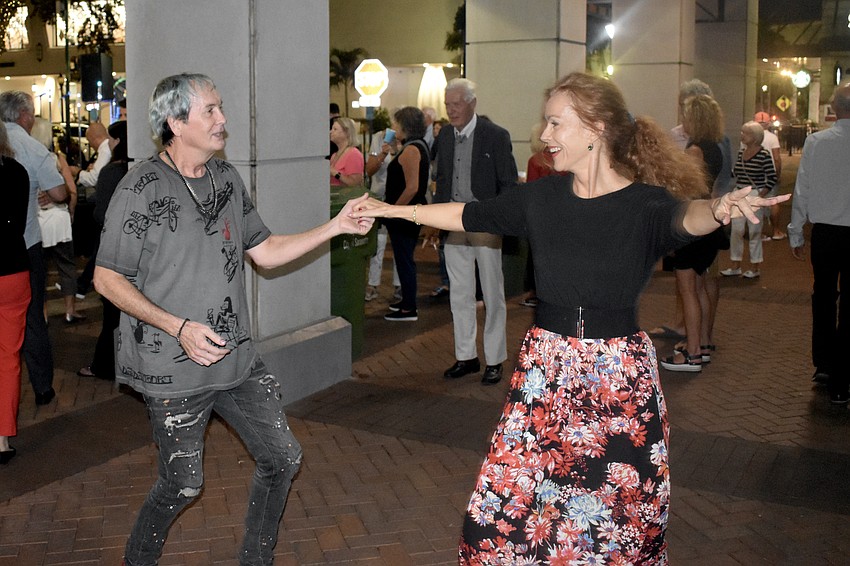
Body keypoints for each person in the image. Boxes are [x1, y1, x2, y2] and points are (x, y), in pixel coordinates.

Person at [354, 71, 787, 563]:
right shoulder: (542, 198)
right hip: (545, 374)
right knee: (499, 522)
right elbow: (467, 215)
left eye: (556, 124)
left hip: (617, 381)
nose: (544, 136)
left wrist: (721, 207)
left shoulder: (644, 205)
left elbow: (686, 217)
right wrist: (392, 210)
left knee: (614, 528)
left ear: (595, 129)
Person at [92, 73, 374, 565]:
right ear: (176, 123)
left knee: (283, 459)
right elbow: (106, 279)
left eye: (221, 108)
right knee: (182, 485)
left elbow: (265, 252)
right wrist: (178, 326)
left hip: (236, 360)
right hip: (173, 370)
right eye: (210, 111)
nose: (223, 119)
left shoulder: (226, 178)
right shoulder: (140, 187)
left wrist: (336, 225)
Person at [433, 78, 517, 386]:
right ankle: (465, 356)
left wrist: (500, 216)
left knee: (493, 293)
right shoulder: (443, 137)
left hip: (484, 221)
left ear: (472, 104)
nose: (451, 110)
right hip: (453, 221)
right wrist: (437, 219)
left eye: (456, 104)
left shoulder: (495, 136)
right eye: (448, 105)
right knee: (460, 293)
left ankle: (494, 360)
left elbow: (508, 183)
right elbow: (441, 179)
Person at [0, 90, 68, 407]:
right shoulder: (33, 148)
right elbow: (59, 193)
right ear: (24, 116)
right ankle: (42, 387)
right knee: (31, 318)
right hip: (24, 247)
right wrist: (50, 193)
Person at [788, 83, 850, 404]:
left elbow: (803, 190)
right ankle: (843, 375)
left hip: (825, 232)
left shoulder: (816, 142)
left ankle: (824, 363)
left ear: (835, 109)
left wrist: (796, 231)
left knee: (824, 296)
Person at [660, 94, 726, 372]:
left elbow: (685, 188)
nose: (683, 121)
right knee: (699, 285)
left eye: (686, 115)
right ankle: (704, 343)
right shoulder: (715, 148)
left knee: (687, 288)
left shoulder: (695, 150)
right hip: (709, 220)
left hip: (691, 220)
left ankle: (693, 352)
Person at [77, 121, 128, 380]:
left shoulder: (110, 172)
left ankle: (104, 365)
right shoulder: (142, 167)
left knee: (112, 314)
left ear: (117, 141)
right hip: (141, 253)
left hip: (116, 251)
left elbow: (101, 214)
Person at [30, 117, 85, 324]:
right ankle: (70, 310)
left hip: (37, 220)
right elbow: (71, 190)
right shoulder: (56, 158)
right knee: (67, 267)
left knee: (39, 270)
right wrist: (70, 213)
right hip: (58, 220)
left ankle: (42, 314)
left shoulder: (27, 157)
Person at [0, 122, 31, 465]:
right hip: (12, 270)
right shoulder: (17, 172)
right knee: (8, 358)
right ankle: (2, 440)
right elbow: (18, 224)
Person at [381, 107, 430, 321]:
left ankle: (409, 307)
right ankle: (406, 301)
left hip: (405, 213)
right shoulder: (412, 146)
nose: (393, 127)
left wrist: (393, 211)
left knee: (404, 258)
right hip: (408, 212)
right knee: (403, 258)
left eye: (396, 124)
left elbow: (411, 187)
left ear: (404, 126)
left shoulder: (412, 150)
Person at [722, 121, 777, 279]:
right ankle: (735, 264)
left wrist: (761, 194)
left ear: (754, 137)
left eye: (745, 133)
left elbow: (772, 177)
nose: (741, 135)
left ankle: (755, 266)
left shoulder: (764, 154)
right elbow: (737, 172)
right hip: (740, 192)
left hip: (753, 194)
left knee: (754, 232)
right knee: (737, 231)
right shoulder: (741, 152)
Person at [363, 127, 400, 302]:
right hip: (380, 196)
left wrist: (397, 150)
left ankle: (400, 285)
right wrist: (383, 154)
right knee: (378, 241)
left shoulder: (408, 141)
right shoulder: (379, 137)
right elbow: (369, 170)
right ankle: (373, 283)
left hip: (400, 198)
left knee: (400, 243)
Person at [754, 111, 785, 240]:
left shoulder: (748, 137)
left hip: (754, 174)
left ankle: (757, 233)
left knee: (755, 202)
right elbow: (777, 158)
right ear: (768, 123)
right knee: (773, 201)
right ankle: (776, 231)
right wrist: (777, 174)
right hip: (769, 173)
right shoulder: (772, 138)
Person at [329, 116, 364, 187]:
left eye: (335, 129)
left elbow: (355, 183)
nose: (330, 132)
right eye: (331, 129)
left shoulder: (353, 154)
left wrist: (335, 173)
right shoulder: (334, 155)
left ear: (347, 133)